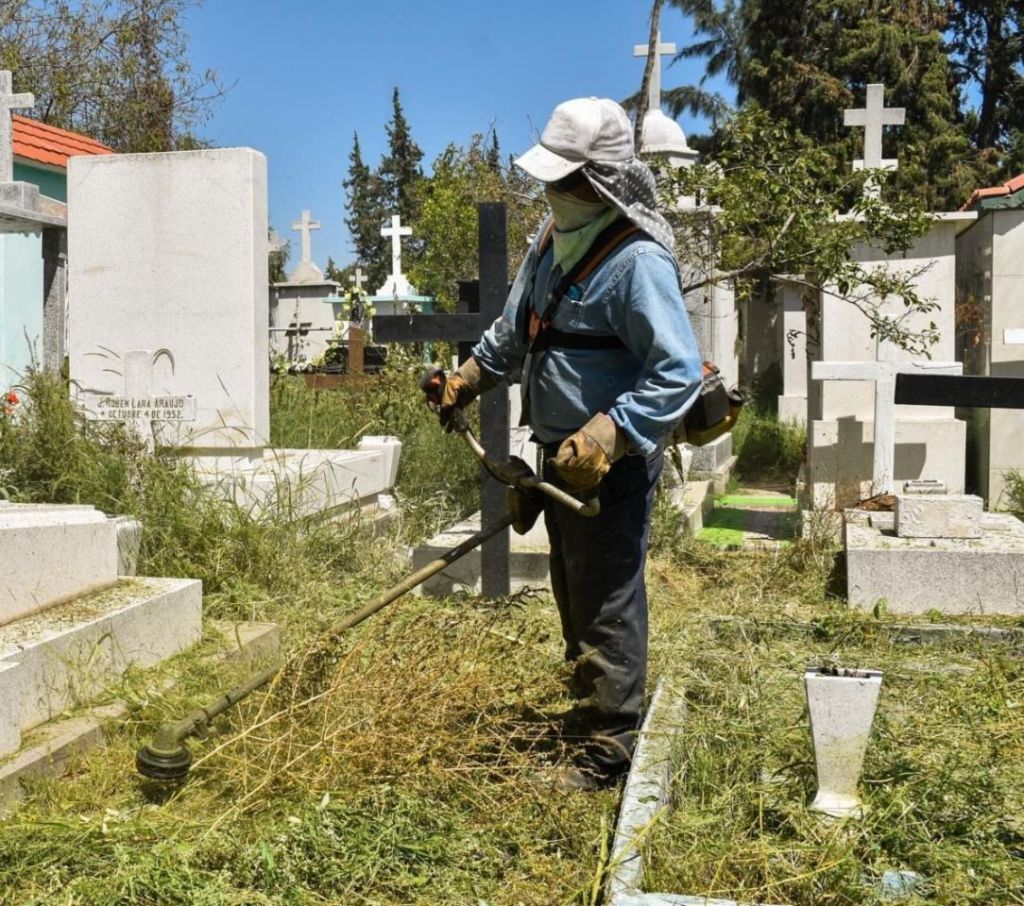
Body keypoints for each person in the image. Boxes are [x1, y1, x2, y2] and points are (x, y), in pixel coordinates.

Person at [424, 97, 704, 788]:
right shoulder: (551, 241)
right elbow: (514, 332)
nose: (551, 190)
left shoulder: (637, 262)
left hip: (610, 470)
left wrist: (609, 430)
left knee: (608, 599)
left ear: (601, 182)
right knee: (572, 593)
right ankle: (586, 714)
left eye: (564, 179)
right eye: (549, 177)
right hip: (556, 462)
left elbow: (677, 371)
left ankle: (608, 754)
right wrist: (465, 379)